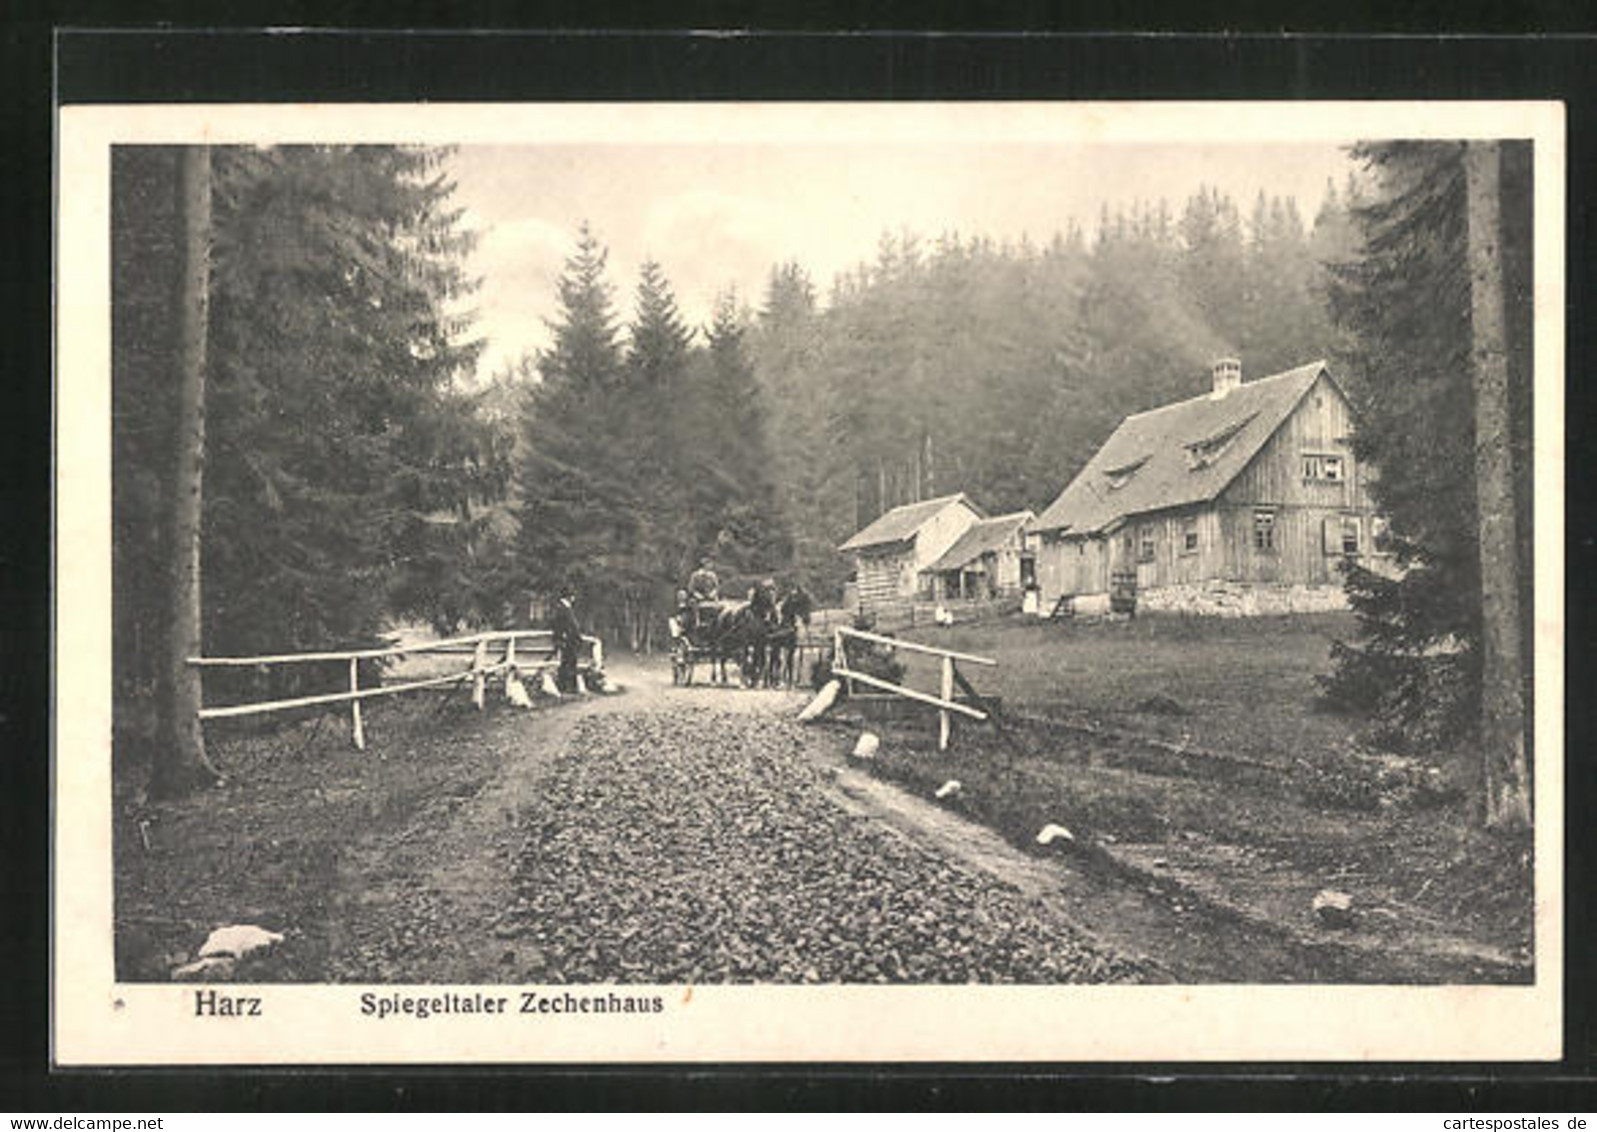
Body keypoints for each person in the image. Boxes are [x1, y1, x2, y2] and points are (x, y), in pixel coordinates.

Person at [550, 583, 582, 694]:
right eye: (572, 595)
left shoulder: (567, 608)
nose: (574, 598)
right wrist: (561, 637)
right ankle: (564, 687)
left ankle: (570, 687)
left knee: (571, 662)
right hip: (567, 640)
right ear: (568, 596)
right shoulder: (561, 608)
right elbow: (557, 624)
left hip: (571, 640)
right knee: (566, 663)